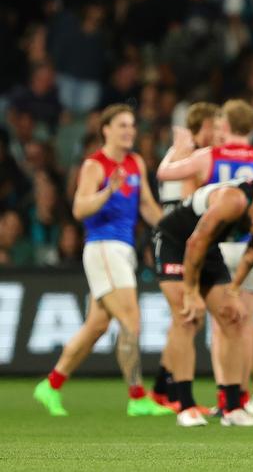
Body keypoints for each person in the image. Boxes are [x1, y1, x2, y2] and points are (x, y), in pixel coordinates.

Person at [157, 99, 253, 418]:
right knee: (242, 324)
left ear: (225, 126)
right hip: (231, 238)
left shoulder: (210, 156)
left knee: (223, 325)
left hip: (223, 237)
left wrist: (178, 149)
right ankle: (243, 395)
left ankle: (225, 398)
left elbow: (164, 174)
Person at [33, 104, 172, 417]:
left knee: (96, 326)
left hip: (123, 249)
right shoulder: (95, 166)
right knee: (131, 320)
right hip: (103, 248)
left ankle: (51, 384)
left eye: (132, 126)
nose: (128, 131)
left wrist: (174, 232)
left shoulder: (135, 162)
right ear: (105, 130)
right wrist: (108, 190)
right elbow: (79, 209)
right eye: (121, 125)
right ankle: (137, 397)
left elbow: (148, 207)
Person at [153, 178, 253, 427]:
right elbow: (194, 242)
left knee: (233, 318)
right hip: (176, 241)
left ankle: (232, 408)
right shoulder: (233, 201)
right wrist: (191, 291)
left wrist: (235, 290)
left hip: (208, 246)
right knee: (187, 318)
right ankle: (186, 407)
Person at [149, 101, 221, 412]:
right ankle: (179, 397)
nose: (217, 133)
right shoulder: (190, 157)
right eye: (214, 127)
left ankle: (163, 389)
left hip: (179, 238)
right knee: (186, 317)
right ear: (202, 127)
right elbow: (191, 201)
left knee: (184, 321)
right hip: (178, 241)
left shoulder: (181, 153)